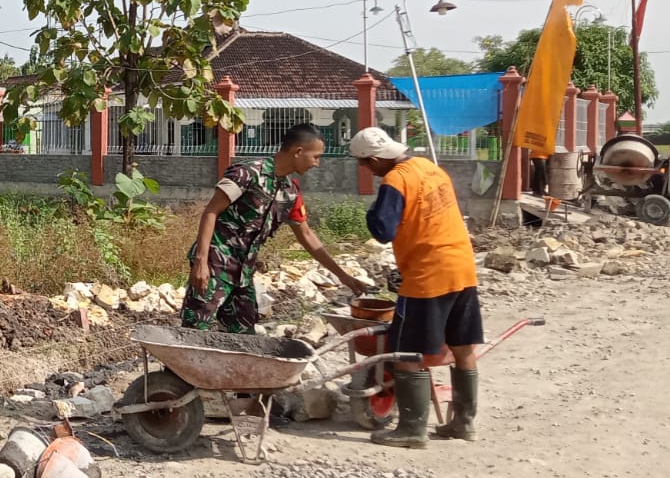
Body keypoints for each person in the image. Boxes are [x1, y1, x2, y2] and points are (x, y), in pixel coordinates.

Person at [350, 126, 482, 449]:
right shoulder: (430, 168)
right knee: (462, 347)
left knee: (405, 351)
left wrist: (372, 212)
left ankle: (411, 429)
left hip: (428, 275)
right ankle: (464, 423)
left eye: (364, 164)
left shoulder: (395, 180)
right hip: (462, 267)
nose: (366, 169)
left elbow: (383, 230)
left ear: (375, 159)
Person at [184, 123, 373, 335]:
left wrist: (342, 276)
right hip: (215, 264)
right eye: (316, 156)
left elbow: (307, 235)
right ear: (298, 151)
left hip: (243, 272)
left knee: (243, 335)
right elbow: (211, 211)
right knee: (194, 330)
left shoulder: (290, 192)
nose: (317, 163)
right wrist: (201, 262)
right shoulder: (247, 173)